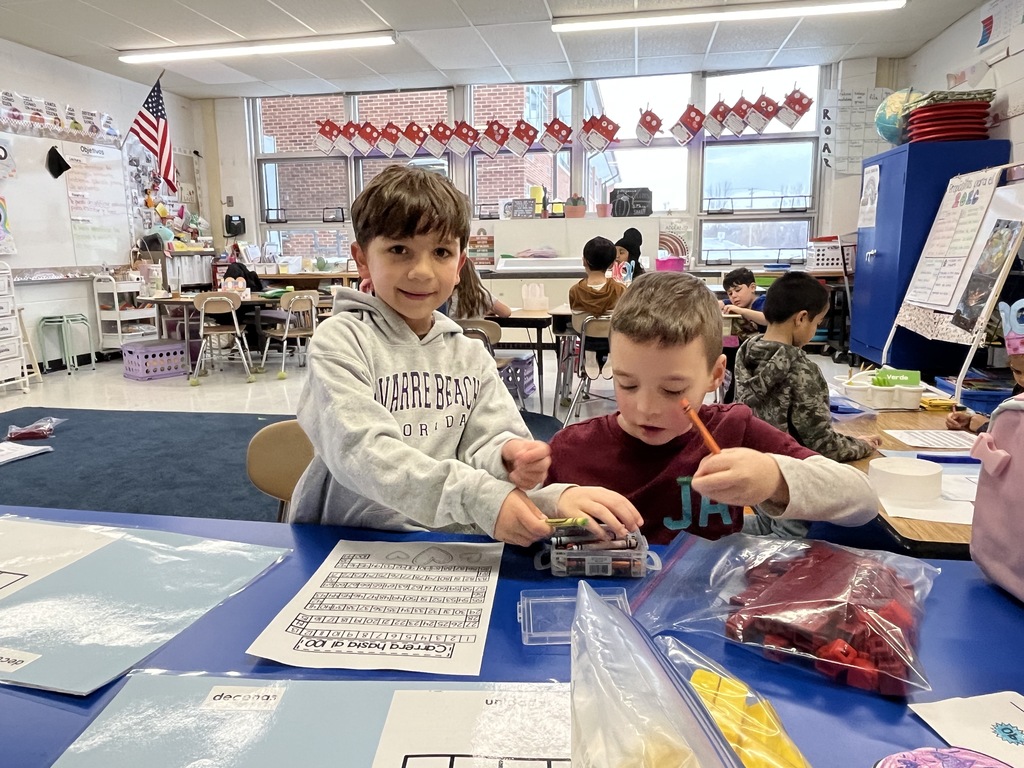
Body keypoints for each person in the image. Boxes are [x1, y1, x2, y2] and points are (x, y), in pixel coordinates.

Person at [288, 165, 641, 546]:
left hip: (446, 543)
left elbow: (487, 440)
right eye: (399, 250)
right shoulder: (341, 341)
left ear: (459, 265)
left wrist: (510, 457)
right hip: (348, 543)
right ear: (362, 260)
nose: (422, 272)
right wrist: (479, 497)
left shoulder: (469, 354)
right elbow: (362, 453)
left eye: (441, 252)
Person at [545, 272, 878, 545]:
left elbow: (863, 501)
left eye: (672, 389)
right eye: (627, 384)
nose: (645, 409)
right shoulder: (573, 448)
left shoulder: (733, 430)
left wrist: (774, 478)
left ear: (716, 375)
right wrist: (554, 502)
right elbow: (521, 516)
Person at [733, 271, 881, 536]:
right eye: (818, 322)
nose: (815, 331)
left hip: (755, 466)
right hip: (792, 478)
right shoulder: (803, 370)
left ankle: (711, 537)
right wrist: (861, 445)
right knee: (788, 542)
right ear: (801, 318)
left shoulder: (746, 354)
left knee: (766, 526)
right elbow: (822, 444)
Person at [569, 236, 626, 377]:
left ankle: (590, 355)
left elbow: (575, 314)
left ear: (584, 261)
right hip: (611, 340)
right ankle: (611, 355)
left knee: (583, 327)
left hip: (587, 339)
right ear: (612, 264)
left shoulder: (574, 291)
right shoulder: (620, 290)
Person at [720, 267, 768, 403]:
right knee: (720, 347)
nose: (734, 296)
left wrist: (741, 311)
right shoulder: (734, 303)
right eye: (730, 293)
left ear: (752, 287)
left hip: (760, 353)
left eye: (738, 290)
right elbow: (719, 303)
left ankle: (730, 400)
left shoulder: (761, 302)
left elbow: (767, 318)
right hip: (740, 349)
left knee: (736, 369)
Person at [946, 352, 1024, 434]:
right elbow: (1011, 420)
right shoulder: (1019, 389)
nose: (1022, 379)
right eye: (1017, 372)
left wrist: (985, 426)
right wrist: (970, 418)